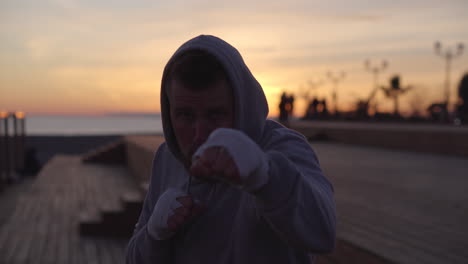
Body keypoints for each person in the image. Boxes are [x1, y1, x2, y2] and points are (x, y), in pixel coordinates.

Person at [126, 35, 336, 263]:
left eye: (215, 114)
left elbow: (323, 234)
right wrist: (154, 235)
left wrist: (266, 177)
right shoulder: (167, 158)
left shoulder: (282, 148)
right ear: (169, 113)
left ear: (241, 107)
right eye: (185, 115)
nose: (199, 134)